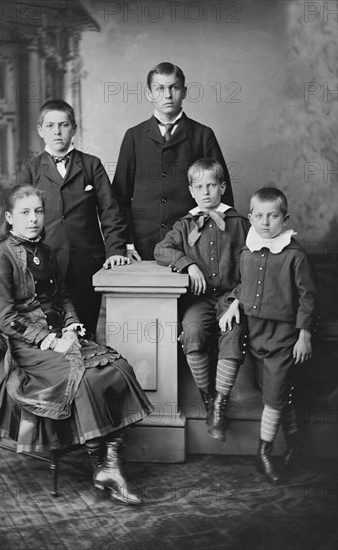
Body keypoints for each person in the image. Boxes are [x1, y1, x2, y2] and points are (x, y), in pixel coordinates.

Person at [0, 184, 153, 505]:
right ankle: (103, 466)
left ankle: (108, 465)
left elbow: (63, 296)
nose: (33, 219)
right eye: (25, 213)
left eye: (38, 211)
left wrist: (70, 324)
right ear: (11, 218)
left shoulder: (45, 250)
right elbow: (4, 318)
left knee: (119, 368)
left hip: (61, 336)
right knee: (84, 378)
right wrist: (48, 339)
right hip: (27, 348)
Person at [219, 187, 318, 484]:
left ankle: (263, 453)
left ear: (284, 219)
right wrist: (234, 303)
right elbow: (245, 286)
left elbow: (308, 298)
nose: (265, 223)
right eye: (259, 216)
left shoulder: (294, 255)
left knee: (274, 399)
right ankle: (297, 446)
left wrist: (305, 335)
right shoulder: (247, 251)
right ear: (250, 218)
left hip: (284, 336)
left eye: (272, 216)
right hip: (257, 335)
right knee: (276, 394)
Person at [17, 99, 129, 336]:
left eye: (64, 125)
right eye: (50, 126)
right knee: (51, 334)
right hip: (44, 265)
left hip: (86, 263)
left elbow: (110, 211)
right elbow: (17, 220)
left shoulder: (91, 165)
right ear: (40, 130)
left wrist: (116, 251)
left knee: (86, 331)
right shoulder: (31, 170)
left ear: (74, 128)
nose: (57, 132)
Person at [154, 159, 249, 435]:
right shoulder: (184, 225)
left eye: (211, 185)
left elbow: (255, 267)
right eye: (199, 187)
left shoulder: (239, 223)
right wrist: (188, 263)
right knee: (192, 330)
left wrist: (238, 300)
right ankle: (208, 398)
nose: (206, 192)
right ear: (191, 191)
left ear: (222, 187)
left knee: (234, 330)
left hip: (231, 299)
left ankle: (220, 402)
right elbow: (161, 250)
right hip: (200, 301)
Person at [113, 61, 234, 261]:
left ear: (184, 92)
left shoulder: (203, 135)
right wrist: (127, 243)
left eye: (174, 87)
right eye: (159, 89)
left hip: (194, 241)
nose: (168, 95)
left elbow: (223, 194)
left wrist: (218, 242)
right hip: (143, 245)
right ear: (149, 94)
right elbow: (120, 198)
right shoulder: (134, 136)